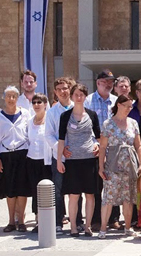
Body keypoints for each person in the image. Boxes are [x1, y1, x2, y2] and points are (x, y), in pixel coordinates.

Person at [57, 84, 101, 237]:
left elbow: (100, 137)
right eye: (76, 94)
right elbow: (61, 139)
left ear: (85, 96)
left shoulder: (92, 115)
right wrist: (59, 160)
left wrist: (98, 146)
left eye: (82, 94)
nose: (78, 97)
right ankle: (74, 227)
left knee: (90, 195)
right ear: (72, 95)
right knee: (74, 195)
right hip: (72, 161)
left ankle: (88, 226)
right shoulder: (65, 116)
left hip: (89, 160)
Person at [98, 94, 141, 238]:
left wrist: (140, 163)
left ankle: (128, 227)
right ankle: (103, 229)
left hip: (129, 164)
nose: (129, 109)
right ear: (119, 105)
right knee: (108, 197)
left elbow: (138, 145)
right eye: (127, 106)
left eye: (131, 106)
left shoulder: (133, 123)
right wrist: (101, 166)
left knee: (128, 198)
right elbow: (103, 147)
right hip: (113, 164)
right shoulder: (108, 124)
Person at [0, 86, 31, 233]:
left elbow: (29, 133)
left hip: (22, 153)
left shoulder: (25, 113)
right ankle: (10, 221)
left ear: (17, 98)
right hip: (6, 154)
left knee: (22, 189)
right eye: (8, 96)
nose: (11, 99)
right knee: (10, 190)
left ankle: (21, 221)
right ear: (4, 97)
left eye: (13, 96)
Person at [84, 70, 117, 230]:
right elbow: (85, 126)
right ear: (98, 83)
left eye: (111, 81)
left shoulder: (116, 101)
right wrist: (95, 144)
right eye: (105, 81)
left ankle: (113, 218)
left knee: (114, 183)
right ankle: (97, 219)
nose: (108, 84)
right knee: (97, 185)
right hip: (95, 149)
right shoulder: (88, 101)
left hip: (113, 150)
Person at [45, 77, 78, 233]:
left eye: (65, 88)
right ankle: (58, 220)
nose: (63, 92)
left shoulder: (78, 108)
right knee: (57, 190)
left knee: (76, 190)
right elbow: (48, 135)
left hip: (77, 157)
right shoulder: (51, 112)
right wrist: (61, 149)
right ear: (55, 92)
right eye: (59, 89)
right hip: (59, 157)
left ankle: (77, 220)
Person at [25, 93, 51, 233]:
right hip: (32, 160)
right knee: (35, 192)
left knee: (47, 192)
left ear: (45, 104)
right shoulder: (29, 121)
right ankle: (38, 220)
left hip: (46, 161)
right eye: (34, 102)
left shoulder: (50, 120)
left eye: (39, 102)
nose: (36, 105)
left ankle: (50, 220)